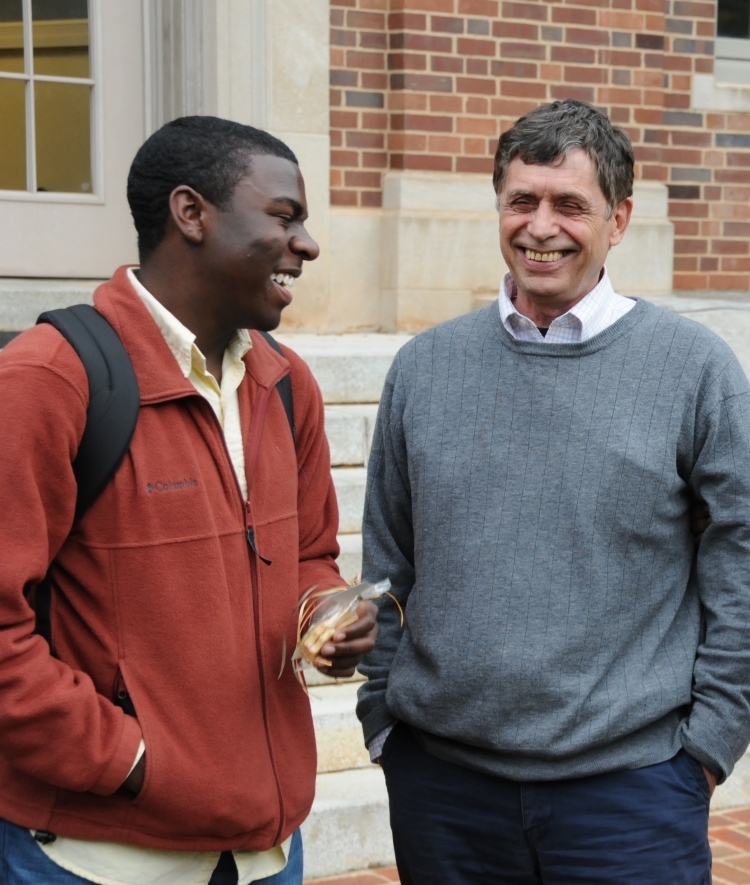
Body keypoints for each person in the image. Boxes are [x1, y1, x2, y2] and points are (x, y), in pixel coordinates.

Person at [357, 99, 750, 884]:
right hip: (444, 787)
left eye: (570, 204)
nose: (541, 227)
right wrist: (381, 720)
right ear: (499, 205)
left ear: (619, 218)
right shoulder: (425, 368)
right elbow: (388, 559)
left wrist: (709, 742)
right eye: (521, 201)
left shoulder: (694, 370)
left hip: (631, 793)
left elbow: (740, 561)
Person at [0, 116, 377, 885]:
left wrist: (325, 612)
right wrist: (131, 759)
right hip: (98, 860)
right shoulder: (51, 379)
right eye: (283, 217)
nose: (306, 244)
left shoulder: (289, 385)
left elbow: (307, 555)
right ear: (191, 213)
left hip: (267, 855)